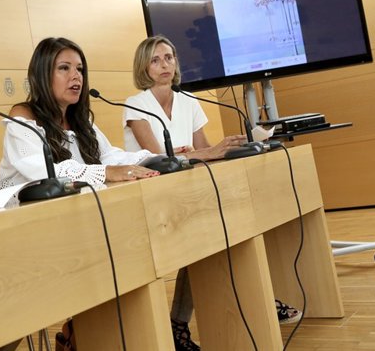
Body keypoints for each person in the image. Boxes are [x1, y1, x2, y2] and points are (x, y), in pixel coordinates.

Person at [124, 35, 302, 351]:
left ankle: (257, 299)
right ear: (144, 67)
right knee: (204, 236)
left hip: (190, 192)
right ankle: (179, 323)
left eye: (169, 57)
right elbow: (159, 159)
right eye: (155, 60)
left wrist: (233, 147)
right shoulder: (135, 104)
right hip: (153, 198)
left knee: (235, 223)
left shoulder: (188, 99)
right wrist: (201, 153)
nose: (165, 65)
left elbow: (205, 150)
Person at [0, 37, 160, 192]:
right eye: (64, 68)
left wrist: (157, 160)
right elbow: (41, 170)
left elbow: (108, 156)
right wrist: (106, 172)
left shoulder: (79, 119)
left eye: (79, 69)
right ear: (42, 75)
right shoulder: (23, 116)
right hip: (19, 211)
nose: (76, 76)